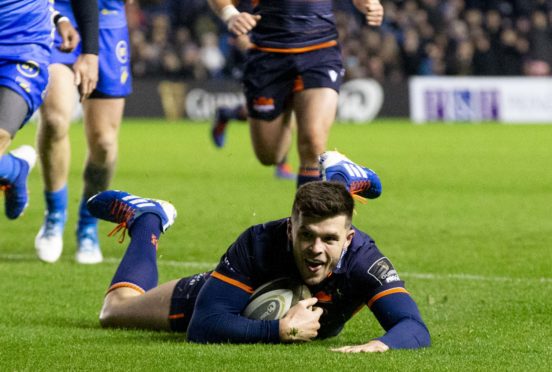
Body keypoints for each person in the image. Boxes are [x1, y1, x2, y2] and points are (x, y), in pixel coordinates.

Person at [88, 153, 429, 351]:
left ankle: (340, 178)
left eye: (329, 239)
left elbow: (413, 326)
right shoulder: (258, 243)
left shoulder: (363, 259)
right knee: (114, 313)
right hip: (233, 295)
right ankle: (148, 218)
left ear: (348, 238)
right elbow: (204, 325)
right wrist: (280, 331)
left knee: (326, 217)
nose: (315, 249)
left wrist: (380, 346)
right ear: (289, 229)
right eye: (305, 235)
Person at [207, 0, 384, 189]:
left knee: (313, 142)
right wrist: (231, 15)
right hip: (268, 57)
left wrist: (370, 3)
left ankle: (307, 216)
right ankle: (238, 112)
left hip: (319, 53)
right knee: (269, 155)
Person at [35, 0, 132, 264]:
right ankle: (55, 214)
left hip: (108, 22)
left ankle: (88, 224)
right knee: (54, 118)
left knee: (104, 142)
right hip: (61, 16)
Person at [0, 0, 96, 221]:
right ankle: (13, 169)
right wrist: (57, 17)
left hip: (23, 50)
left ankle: (56, 213)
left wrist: (90, 51)